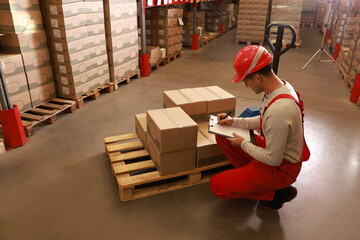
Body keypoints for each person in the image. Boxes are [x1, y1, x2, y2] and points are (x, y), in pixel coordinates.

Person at [210, 45, 310, 210]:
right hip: (272, 149)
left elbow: (273, 159)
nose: (246, 86)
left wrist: (243, 143)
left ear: (257, 77)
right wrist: (232, 121)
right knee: (222, 133)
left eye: (246, 81)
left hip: (281, 168)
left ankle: (276, 194)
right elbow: (264, 120)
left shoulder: (280, 110)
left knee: (217, 186)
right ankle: (252, 179)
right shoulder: (279, 87)